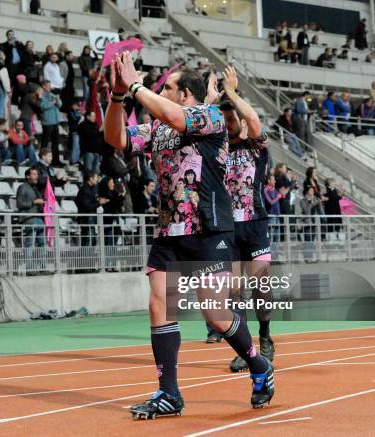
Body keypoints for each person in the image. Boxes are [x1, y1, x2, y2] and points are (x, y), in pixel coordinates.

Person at [104, 52, 274, 417]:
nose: (159, 91)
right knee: (158, 305)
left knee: (214, 315)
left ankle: (259, 365)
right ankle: (169, 394)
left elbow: (175, 117)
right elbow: (116, 138)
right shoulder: (159, 130)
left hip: (208, 229)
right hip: (169, 230)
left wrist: (135, 86)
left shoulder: (209, 118)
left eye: (167, 87)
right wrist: (118, 96)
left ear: (185, 95)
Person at [209, 66, 276, 372]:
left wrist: (232, 93)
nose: (228, 122)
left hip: (256, 223)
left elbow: (253, 120)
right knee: (234, 290)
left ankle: (265, 337)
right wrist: (212, 99)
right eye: (224, 119)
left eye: (231, 117)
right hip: (228, 227)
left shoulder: (256, 146)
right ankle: (246, 349)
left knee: (261, 284)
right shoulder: (216, 150)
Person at [16, 167, 45, 268]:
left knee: (42, 244)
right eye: (34, 174)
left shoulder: (36, 188)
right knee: (30, 244)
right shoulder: (22, 187)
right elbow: (19, 204)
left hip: (39, 218)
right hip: (29, 219)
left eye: (37, 174)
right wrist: (33, 202)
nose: (36, 176)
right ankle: (30, 268)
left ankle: (42, 267)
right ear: (27, 176)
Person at [76, 171, 105, 246]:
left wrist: (98, 201)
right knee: (88, 239)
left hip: (92, 217)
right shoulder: (84, 190)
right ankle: (86, 257)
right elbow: (87, 206)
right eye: (95, 178)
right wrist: (99, 203)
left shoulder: (94, 188)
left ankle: (90, 256)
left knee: (92, 239)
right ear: (90, 179)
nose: (97, 180)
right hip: (86, 218)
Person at [40, 80, 63, 165]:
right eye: (48, 85)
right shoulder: (41, 95)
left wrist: (58, 99)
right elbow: (43, 106)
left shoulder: (52, 95)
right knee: (45, 142)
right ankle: (42, 159)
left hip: (55, 122)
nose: (50, 87)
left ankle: (56, 160)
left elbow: (60, 105)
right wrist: (52, 102)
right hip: (47, 122)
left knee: (55, 142)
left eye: (50, 85)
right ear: (43, 86)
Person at [299, 186, 323, 261]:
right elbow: (306, 210)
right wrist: (312, 203)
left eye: (313, 190)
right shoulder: (302, 201)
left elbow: (320, 211)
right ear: (307, 192)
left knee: (312, 241)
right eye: (311, 190)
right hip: (307, 223)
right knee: (308, 240)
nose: (312, 191)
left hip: (314, 222)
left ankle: (311, 256)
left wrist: (319, 203)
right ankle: (307, 257)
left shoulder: (315, 199)